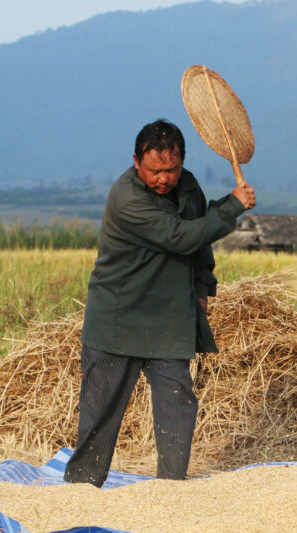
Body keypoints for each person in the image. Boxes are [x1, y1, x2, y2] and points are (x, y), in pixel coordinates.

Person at [64, 118, 256, 487]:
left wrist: (201, 292)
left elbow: (201, 247)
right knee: (99, 416)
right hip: (118, 320)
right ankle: (81, 493)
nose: (164, 179)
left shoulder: (188, 187)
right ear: (137, 162)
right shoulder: (127, 198)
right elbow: (181, 237)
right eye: (154, 171)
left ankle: (170, 491)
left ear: (182, 162)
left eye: (171, 169)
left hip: (169, 321)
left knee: (177, 407)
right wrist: (232, 207)